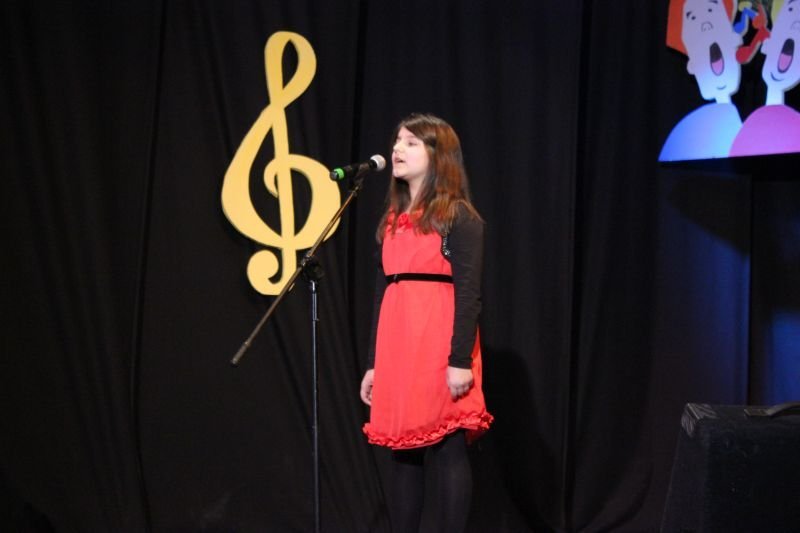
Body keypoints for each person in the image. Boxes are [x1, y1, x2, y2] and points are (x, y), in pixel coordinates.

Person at [359, 113, 493, 532]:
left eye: (411, 142)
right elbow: (382, 295)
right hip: (399, 346)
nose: (397, 149)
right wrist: (374, 363)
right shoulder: (393, 221)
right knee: (403, 452)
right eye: (397, 141)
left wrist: (459, 360)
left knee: (448, 448)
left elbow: (468, 293)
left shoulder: (457, 217)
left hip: (439, 344)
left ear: (438, 156)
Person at [660, 0, 744, 161]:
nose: (706, 25)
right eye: (693, 18)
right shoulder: (691, 134)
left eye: (711, 11)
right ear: (691, 65)